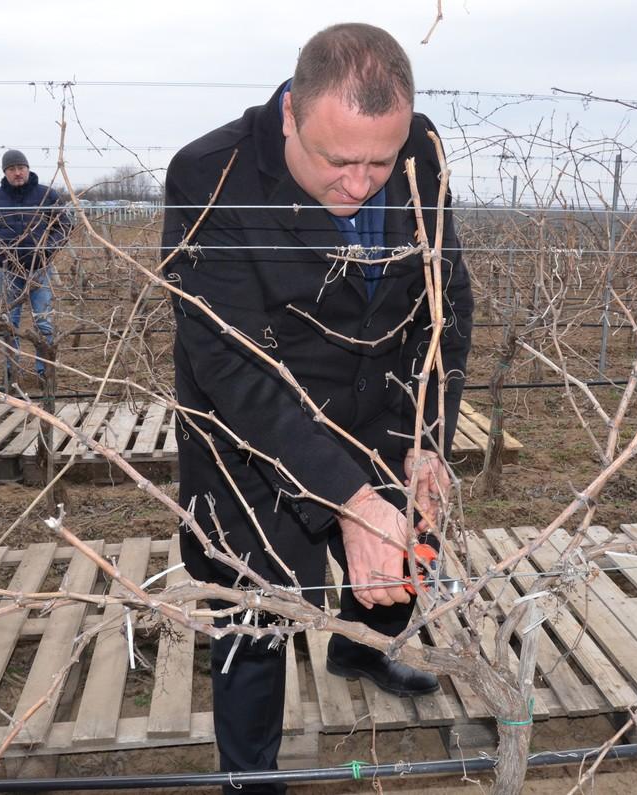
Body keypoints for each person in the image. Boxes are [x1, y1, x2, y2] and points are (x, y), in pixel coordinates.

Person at [163, 23, 473, 790]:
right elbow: (231, 368)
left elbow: (445, 303)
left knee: (397, 572)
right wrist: (348, 498)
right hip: (254, 441)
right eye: (339, 161)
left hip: (382, 415)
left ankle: (360, 646)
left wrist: (428, 437)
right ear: (291, 115)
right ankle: (251, 774)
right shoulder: (210, 175)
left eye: (380, 160)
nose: (362, 183)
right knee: (255, 612)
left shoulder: (420, 151)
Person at [0, 149, 71, 388]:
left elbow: (65, 226)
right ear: (4, 173)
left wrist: (46, 249)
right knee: (8, 323)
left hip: (39, 269)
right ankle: (10, 375)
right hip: (7, 270)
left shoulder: (47, 195)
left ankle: (44, 373)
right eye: (12, 169)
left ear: (28, 168)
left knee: (43, 323)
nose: (17, 173)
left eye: (21, 168)